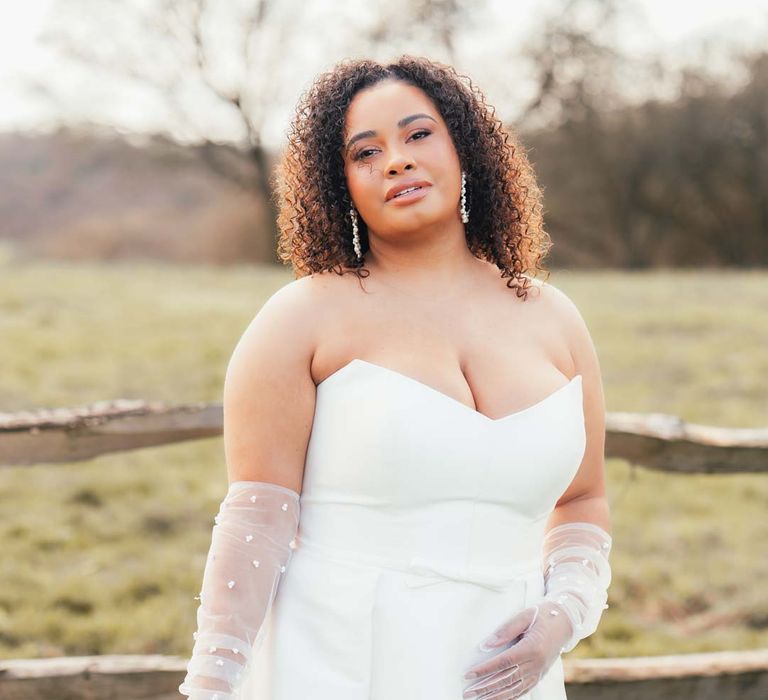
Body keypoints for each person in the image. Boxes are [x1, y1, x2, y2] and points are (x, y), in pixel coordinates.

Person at [179, 55, 613, 700]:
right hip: (336, 663)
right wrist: (213, 685)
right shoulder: (302, 318)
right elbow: (256, 520)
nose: (396, 161)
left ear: (465, 150)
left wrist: (563, 617)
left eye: (418, 135)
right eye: (365, 152)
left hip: (505, 674)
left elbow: (583, 500)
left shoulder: (554, 318)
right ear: (340, 186)